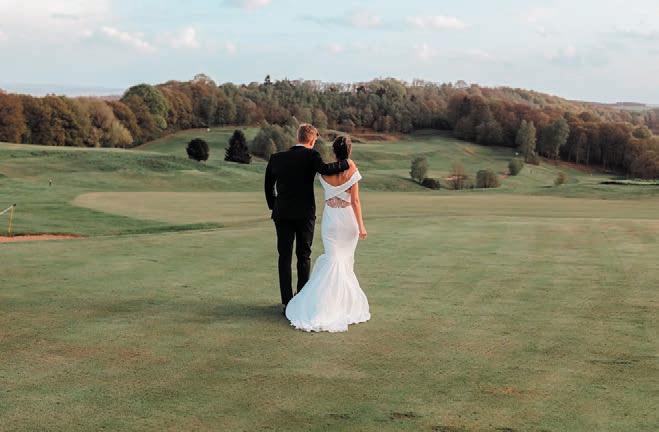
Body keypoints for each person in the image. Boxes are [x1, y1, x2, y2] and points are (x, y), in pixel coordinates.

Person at [284, 135, 370, 332]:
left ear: (333, 151)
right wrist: (361, 226)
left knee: (335, 260)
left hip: (331, 220)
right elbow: (355, 201)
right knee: (342, 262)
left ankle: (331, 304)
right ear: (349, 151)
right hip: (348, 221)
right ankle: (338, 307)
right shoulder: (352, 168)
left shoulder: (324, 172)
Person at [264, 124, 349, 310]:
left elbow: (268, 186)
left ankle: (287, 301)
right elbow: (326, 169)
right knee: (304, 256)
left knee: (284, 256)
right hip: (305, 214)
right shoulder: (312, 155)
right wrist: (346, 163)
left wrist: (274, 205)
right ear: (311, 140)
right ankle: (300, 300)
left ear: (298, 137)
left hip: (282, 213)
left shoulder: (277, 158)